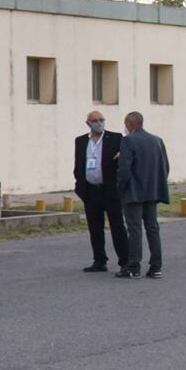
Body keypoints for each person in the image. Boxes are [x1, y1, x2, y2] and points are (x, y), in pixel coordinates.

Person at [72, 109, 129, 273]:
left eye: (101, 119)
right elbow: (79, 165)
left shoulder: (116, 138)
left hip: (110, 190)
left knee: (117, 226)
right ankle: (99, 260)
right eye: (95, 120)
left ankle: (124, 261)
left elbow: (123, 162)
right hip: (91, 190)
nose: (98, 123)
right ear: (88, 123)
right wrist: (80, 184)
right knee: (95, 227)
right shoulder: (81, 141)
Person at [115, 111, 170, 280]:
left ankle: (133, 266)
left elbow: (124, 169)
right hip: (152, 191)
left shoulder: (128, 141)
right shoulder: (157, 140)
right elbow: (165, 166)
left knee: (135, 229)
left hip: (133, 192)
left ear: (130, 124)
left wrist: (120, 187)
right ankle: (156, 266)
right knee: (152, 228)